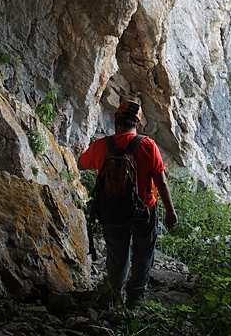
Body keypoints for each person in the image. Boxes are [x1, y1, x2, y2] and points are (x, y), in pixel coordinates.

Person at [79, 99, 178, 309]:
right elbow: (161, 181)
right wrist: (170, 211)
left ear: (117, 120)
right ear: (138, 123)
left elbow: (80, 163)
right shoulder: (148, 145)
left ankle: (114, 294)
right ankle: (136, 297)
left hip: (112, 211)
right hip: (144, 211)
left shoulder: (101, 145)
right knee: (143, 252)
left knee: (117, 254)